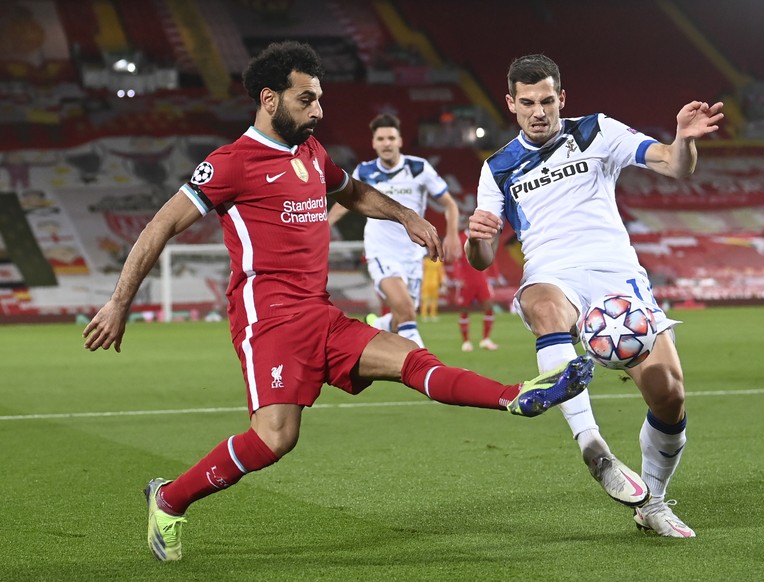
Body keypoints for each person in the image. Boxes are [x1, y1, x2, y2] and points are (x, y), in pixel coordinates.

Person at [82, 42, 594, 562]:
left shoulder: (311, 152)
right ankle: (168, 500)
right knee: (275, 439)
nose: (319, 110)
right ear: (269, 98)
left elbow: (352, 192)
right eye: (306, 99)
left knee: (413, 360)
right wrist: (119, 303)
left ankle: (516, 394)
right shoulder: (230, 164)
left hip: (321, 314)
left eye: (319, 98)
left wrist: (408, 217)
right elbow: (160, 225)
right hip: (270, 322)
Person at [466, 54, 724, 538]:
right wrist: (476, 237)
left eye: (547, 101)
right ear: (510, 104)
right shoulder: (497, 167)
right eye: (527, 103)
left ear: (561, 98)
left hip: (618, 277)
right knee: (543, 305)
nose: (538, 111)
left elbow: (674, 166)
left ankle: (653, 503)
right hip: (551, 271)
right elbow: (481, 256)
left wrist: (683, 141)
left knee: (670, 397)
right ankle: (592, 443)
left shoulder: (596, 131)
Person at [327, 113, 461, 348]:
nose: (386, 143)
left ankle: (376, 327)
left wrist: (451, 234)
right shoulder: (365, 172)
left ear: (399, 141)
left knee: (403, 316)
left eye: (391, 138)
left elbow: (449, 203)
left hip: (412, 255)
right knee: (407, 311)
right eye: (381, 139)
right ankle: (428, 368)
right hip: (381, 251)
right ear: (374, 143)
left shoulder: (419, 168)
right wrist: (322, 227)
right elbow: (345, 203)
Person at [451, 226, 500, 352]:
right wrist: (458, 277)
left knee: (489, 307)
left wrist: (495, 275)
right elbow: (456, 260)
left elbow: (490, 257)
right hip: (466, 281)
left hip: (482, 280)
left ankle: (486, 339)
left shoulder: (483, 238)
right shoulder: (461, 238)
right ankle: (466, 342)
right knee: (464, 309)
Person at [420, 254, 445, 321]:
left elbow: (441, 273)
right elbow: (421, 272)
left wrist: (442, 283)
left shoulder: (438, 262)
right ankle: (424, 314)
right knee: (425, 299)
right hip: (426, 283)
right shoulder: (425, 261)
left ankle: (433, 314)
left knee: (434, 300)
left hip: (434, 283)